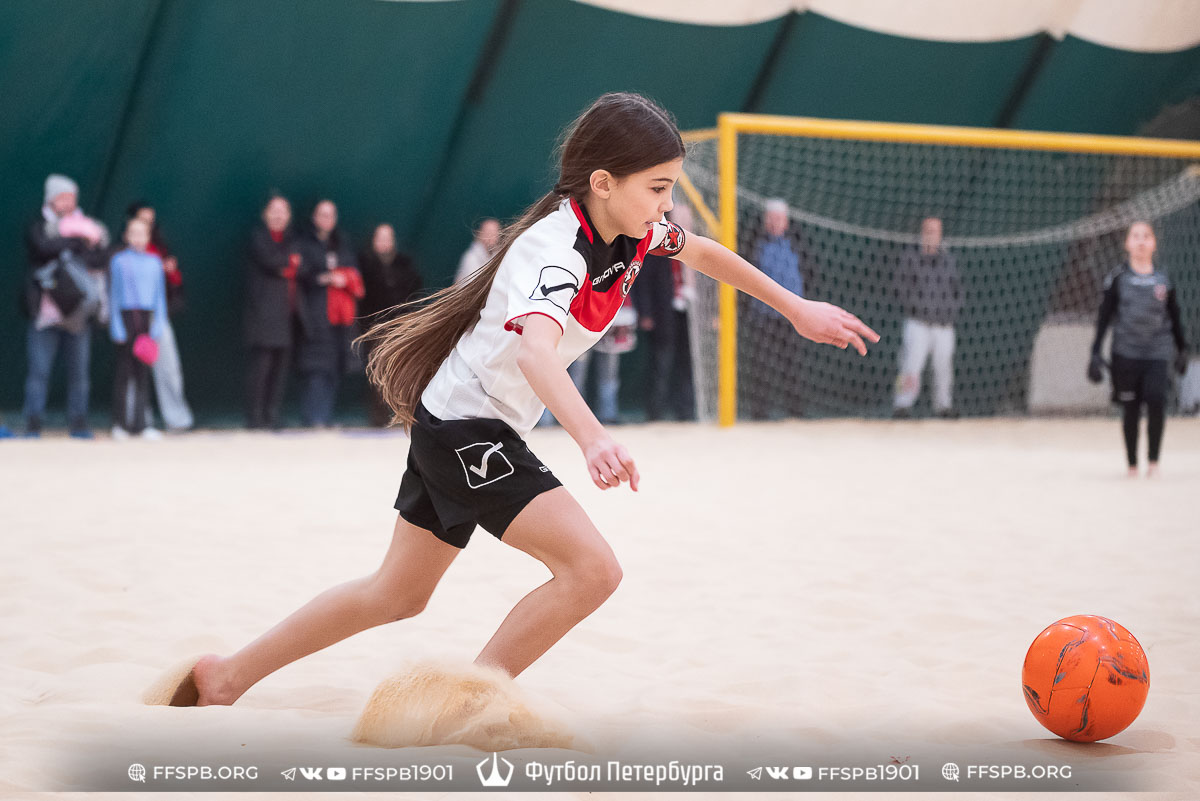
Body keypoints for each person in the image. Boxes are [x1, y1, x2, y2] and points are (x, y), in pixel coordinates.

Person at [161, 93, 877, 707]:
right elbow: (536, 352)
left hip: (458, 420)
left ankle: (225, 676)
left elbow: (702, 252)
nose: (668, 204)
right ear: (603, 182)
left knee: (396, 594)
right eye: (658, 187)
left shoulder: (630, 231)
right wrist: (594, 437)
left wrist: (796, 308)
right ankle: (460, 707)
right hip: (469, 429)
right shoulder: (555, 249)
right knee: (593, 571)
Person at [1088, 221, 1189, 477]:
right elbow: (1104, 317)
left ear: (1154, 243)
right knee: (1130, 408)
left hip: (1156, 353)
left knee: (1156, 400)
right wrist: (1095, 353)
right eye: (1135, 236)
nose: (1141, 241)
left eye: (1146, 236)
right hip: (1126, 353)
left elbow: (1174, 316)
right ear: (1127, 243)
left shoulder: (1163, 280)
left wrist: (1182, 349)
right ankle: (1132, 465)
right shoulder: (1118, 278)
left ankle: (1153, 462)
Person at [21, 174, 110, 439]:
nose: (68, 203)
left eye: (71, 198)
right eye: (62, 198)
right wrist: (75, 241)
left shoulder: (90, 225)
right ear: (51, 199)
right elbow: (41, 247)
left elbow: (99, 256)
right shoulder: (39, 226)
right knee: (39, 372)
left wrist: (75, 241)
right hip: (45, 315)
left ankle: (79, 424)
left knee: (79, 375)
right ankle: (32, 425)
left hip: (78, 316)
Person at [127, 202, 194, 432]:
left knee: (169, 368)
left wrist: (172, 274)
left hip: (158, 316)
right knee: (133, 370)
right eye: (142, 219)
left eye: (150, 220)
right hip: (133, 317)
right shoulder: (121, 256)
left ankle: (177, 419)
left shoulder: (161, 250)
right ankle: (135, 419)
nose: (147, 224)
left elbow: (172, 288)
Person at [295, 199, 361, 428]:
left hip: (340, 319)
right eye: (322, 214)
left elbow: (354, 271)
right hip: (314, 316)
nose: (327, 219)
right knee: (316, 368)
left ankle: (324, 417)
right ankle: (313, 418)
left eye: (331, 215)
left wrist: (344, 278)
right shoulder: (304, 243)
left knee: (333, 367)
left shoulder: (341, 244)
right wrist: (324, 278)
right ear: (314, 217)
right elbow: (301, 274)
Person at [741, 198, 806, 419]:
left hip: (791, 316)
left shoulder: (797, 244)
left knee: (792, 364)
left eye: (779, 218)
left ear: (786, 222)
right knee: (762, 365)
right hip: (763, 315)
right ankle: (760, 413)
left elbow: (809, 274)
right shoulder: (754, 244)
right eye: (771, 218)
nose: (775, 222)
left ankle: (796, 412)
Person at [892, 216, 962, 419]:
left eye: (936, 231)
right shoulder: (911, 257)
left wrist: (950, 311)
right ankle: (902, 405)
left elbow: (957, 290)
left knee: (943, 367)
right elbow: (901, 287)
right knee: (910, 366)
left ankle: (944, 406)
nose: (932, 235)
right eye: (929, 231)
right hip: (918, 322)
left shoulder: (948, 260)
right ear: (922, 233)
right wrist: (916, 306)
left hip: (944, 324)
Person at [635, 204, 696, 421]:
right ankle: (655, 411)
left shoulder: (697, 245)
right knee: (661, 361)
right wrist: (646, 313)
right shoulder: (657, 243)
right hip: (663, 311)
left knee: (687, 361)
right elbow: (643, 280)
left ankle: (685, 410)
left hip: (689, 310)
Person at [109, 217, 169, 439]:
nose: (137, 238)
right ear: (126, 236)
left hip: (146, 320)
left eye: (141, 233)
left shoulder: (155, 262)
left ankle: (142, 424)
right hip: (126, 318)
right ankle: (120, 424)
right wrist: (116, 324)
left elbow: (159, 296)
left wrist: (158, 323)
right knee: (124, 373)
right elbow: (114, 294)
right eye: (133, 233)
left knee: (143, 374)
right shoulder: (118, 261)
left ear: (148, 236)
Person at [244, 194, 301, 430]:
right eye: (274, 210)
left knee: (280, 370)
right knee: (262, 369)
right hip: (263, 316)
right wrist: (288, 264)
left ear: (289, 216)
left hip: (286, 317)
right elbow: (272, 261)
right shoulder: (258, 237)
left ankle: (272, 415)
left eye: (283, 211)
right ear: (265, 214)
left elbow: (299, 263)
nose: (278, 215)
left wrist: (288, 265)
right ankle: (255, 416)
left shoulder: (293, 240)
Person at [359, 223, 423, 426]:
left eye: (388, 238)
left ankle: (402, 417)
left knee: (402, 373)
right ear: (373, 241)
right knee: (377, 375)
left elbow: (415, 292)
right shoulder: (365, 265)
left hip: (401, 329)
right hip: (374, 330)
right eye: (380, 238)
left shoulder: (405, 264)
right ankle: (378, 419)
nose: (384, 243)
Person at [454, 218, 500, 283]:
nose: (492, 236)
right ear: (479, 234)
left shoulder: (498, 255)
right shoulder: (470, 258)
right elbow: (472, 284)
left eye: (495, 233)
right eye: (489, 232)